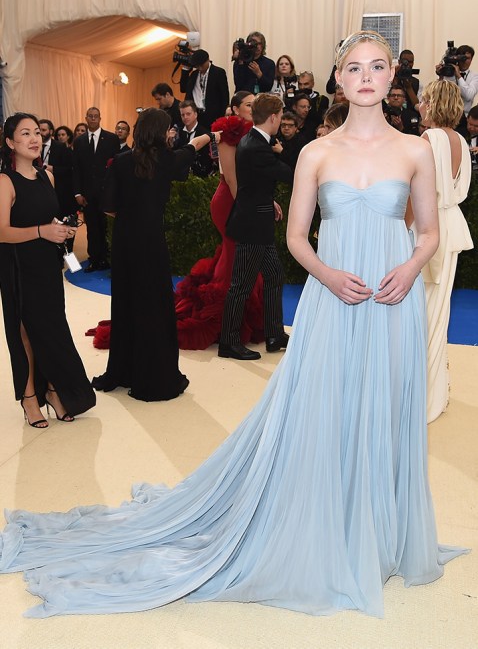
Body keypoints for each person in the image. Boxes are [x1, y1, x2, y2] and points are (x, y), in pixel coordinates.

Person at [0, 33, 467, 620]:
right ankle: (330, 525)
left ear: (392, 75)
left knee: (386, 407)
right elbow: (295, 238)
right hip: (333, 298)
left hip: (394, 299)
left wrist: (410, 267)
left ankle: (380, 533)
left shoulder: (415, 151)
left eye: (377, 66)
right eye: (354, 67)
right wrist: (327, 275)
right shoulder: (317, 153)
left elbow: (428, 232)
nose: (366, 76)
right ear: (340, 79)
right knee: (327, 408)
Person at [91, 108, 221, 401]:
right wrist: (214, 135)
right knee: (155, 305)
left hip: (125, 241)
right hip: (151, 241)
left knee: (125, 303)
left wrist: (130, 216)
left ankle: (124, 370)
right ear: (161, 132)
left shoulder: (121, 161)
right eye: (168, 128)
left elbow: (108, 207)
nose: (171, 132)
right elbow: (194, 146)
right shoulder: (168, 160)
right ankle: (153, 375)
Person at [0, 113, 95, 429]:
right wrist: (42, 231)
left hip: (48, 265)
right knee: (27, 334)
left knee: (54, 330)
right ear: (10, 142)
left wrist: (60, 229)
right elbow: (2, 232)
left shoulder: (47, 177)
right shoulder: (5, 182)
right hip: (19, 268)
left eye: (37, 133)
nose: (34, 139)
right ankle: (30, 398)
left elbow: (46, 217)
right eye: (25, 133)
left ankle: (54, 390)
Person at [174, 91, 264, 350]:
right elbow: (232, 178)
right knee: (236, 253)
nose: (253, 108)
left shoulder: (255, 132)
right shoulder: (227, 132)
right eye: (248, 105)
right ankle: (226, 326)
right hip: (230, 200)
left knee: (241, 255)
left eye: (255, 104)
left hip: (244, 197)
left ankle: (235, 322)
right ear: (235, 109)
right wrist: (248, 207)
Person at [411, 81, 473, 423]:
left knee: (420, 313)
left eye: (423, 100)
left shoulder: (428, 139)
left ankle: (419, 397)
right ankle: (435, 392)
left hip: (428, 228)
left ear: (433, 103)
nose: (419, 105)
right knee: (438, 313)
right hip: (451, 229)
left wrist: (399, 229)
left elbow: (414, 193)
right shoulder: (460, 141)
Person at [218, 93, 293, 360]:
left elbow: (255, 182)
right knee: (241, 285)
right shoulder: (258, 147)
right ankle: (228, 342)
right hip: (252, 225)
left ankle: (274, 334)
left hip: (256, 222)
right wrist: (285, 152)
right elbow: (288, 174)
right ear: (273, 118)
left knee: (274, 275)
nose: (281, 121)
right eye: (280, 117)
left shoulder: (253, 140)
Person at [72, 107, 121, 272]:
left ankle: (106, 259)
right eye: (90, 116)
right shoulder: (79, 141)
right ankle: (94, 259)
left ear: (100, 118)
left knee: (106, 226)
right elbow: (76, 169)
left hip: (106, 192)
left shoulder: (112, 139)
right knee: (92, 228)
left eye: (96, 116)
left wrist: (114, 192)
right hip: (87, 194)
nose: (93, 119)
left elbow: (116, 167)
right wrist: (78, 192)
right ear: (86, 118)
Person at [179, 49, 229, 129]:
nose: (200, 68)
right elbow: (183, 89)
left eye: (201, 65)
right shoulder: (194, 74)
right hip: (196, 115)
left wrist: (221, 117)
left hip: (213, 115)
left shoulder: (218, 72)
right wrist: (185, 70)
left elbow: (224, 96)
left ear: (208, 60)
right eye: (197, 66)